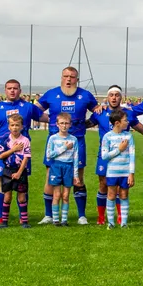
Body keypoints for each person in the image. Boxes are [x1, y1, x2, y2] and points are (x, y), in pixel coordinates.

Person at [37, 67, 98, 225]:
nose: (69, 79)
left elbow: (97, 111)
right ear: (61, 78)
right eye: (66, 76)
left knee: (79, 177)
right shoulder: (51, 94)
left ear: (77, 79)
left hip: (77, 141)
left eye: (72, 77)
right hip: (55, 141)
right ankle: (49, 215)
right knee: (50, 177)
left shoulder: (85, 95)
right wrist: (50, 121)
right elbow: (36, 110)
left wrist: (88, 123)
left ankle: (81, 216)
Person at [0, 79, 42, 224]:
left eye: (15, 88)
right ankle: (2, 216)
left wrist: (65, 120)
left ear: (20, 90)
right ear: (5, 90)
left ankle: (23, 218)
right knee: (3, 185)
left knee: (22, 186)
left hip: (22, 152)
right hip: (4, 152)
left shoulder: (28, 107)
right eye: (9, 88)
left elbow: (45, 118)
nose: (12, 91)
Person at [90, 86, 143, 226]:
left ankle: (121, 218)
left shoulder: (128, 114)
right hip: (105, 156)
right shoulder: (99, 112)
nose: (114, 97)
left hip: (124, 160)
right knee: (103, 185)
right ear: (107, 97)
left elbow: (141, 129)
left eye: (117, 95)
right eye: (111, 95)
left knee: (122, 188)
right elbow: (84, 125)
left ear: (121, 97)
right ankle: (101, 218)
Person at [100, 108, 136, 229]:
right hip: (112, 172)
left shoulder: (129, 136)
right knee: (111, 195)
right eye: (125, 120)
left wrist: (131, 173)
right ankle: (111, 223)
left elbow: (132, 156)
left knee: (124, 195)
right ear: (117, 123)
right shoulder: (107, 137)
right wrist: (119, 150)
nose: (127, 122)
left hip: (125, 172)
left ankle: (124, 223)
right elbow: (104, 156)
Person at [46, 113, 82, 226]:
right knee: (57, 195)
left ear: (70, 124)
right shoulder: (53, 138)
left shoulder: (74, 139)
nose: (64, 126)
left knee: (66, 196)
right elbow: (49, 155)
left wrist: (76, 175)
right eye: (62, 123)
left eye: (66, 123)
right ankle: (56, 220)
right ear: (57, 124)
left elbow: (76, 158)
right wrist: (64, 148)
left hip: (69, 167)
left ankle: (64, 220)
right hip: (56, 166)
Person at [0, 115, 31, 228]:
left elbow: (26, 157)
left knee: (21, 196)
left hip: (20, 171)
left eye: (17, 125)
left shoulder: (25, 140)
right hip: (8, 171)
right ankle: (5, 221)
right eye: (12, 125)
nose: (15, 127)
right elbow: (1, 156)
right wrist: (13, 150)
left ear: (22, 126)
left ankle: (24, 221)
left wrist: (20, 172)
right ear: (9, 127)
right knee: (7, 196)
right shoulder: (4, 140)